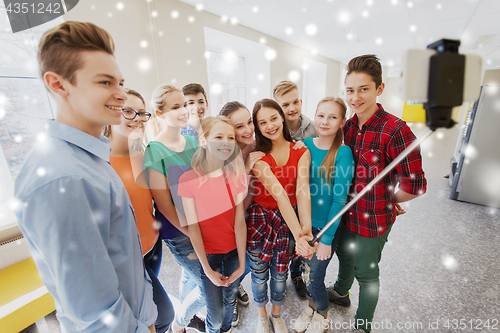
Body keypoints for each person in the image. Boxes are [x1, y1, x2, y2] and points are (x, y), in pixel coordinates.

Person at [13, 21, 157, 332]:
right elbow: (95, 313)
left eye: (120, 82)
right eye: (105, 83)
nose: (121, 94)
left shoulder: (89, 158)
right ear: (58, 84)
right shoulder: (62, 177)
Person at [328, 55, 427, 333]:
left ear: (379, 88)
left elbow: (415, 185)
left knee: (367, 273)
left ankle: (363, 325)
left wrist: (391, 200)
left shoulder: (397, 130)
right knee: (345, 256)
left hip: (374, 221)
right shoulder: (347, 127)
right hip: (346, 212)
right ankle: (340, 292)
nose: (355, 97)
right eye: (350, 90)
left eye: (364, 89)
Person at [104, 88, 174, 333]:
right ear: (113, 113)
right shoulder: (101, 162)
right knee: (164, 314)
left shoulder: (144, 156)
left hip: (153, 247)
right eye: (129, 111)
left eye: (142, 113)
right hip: (126, 256)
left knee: (146, 314)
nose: (137, 118)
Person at [247, 99, 315, 333]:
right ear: (257, 127)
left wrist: (305, 230)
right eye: (262, 122)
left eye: (273, 118)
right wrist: (300, 236)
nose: (270, 126)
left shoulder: (301, 150)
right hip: (261, 219)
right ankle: (262, 317)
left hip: (288, 220)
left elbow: (302, 191)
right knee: (258, 275)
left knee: (280, 273)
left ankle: (276, 315)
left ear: (282, 117)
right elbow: (281, 197)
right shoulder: (258, 157)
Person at [144, 84, 206, 333]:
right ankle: (178, 325)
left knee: (190, 275)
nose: (185, 110)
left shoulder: (191, 142)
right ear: (160, 114)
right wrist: (189, 230)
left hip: (199, 223)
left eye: (186, 104)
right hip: (179, 231)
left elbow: (202, 186)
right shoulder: (154, 150)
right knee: (207, 287)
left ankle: (184, 319)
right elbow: (164, 204)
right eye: (176, 106)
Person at [179, 116, 247, 333]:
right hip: (209, 256)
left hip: (234, 254)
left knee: (229, 304)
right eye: (218, 137)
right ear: (204, 141)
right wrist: (207, 270)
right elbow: (194, 228)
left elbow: (239, 223)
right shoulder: (188, 180)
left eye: (230, 137)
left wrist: (243, 264)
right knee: (215, 317)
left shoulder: (237, 178)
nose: (226, 142)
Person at [293, 97, 354, 333]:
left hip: (325, 229)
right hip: (302, 226)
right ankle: (311, 307)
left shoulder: (343, 153)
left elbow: (340, 200)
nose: (325, 121)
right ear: (314, 116)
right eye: (321, 115)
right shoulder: (304, 145)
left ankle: (323, 314)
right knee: (306, 272)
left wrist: (327, 239)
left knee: (315, 278)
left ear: (342, 122)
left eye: (333, 117)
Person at [273, 80, 317, 299]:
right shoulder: (275, 128)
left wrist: (307, 146)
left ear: (301, 101)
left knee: (305, 232)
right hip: (284, 192)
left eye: (294, 102)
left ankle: (297, 273)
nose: (291, 109)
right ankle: (284, 269)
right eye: (284, 105)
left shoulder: (314, 127)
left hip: (307, 189)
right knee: (288, 238)